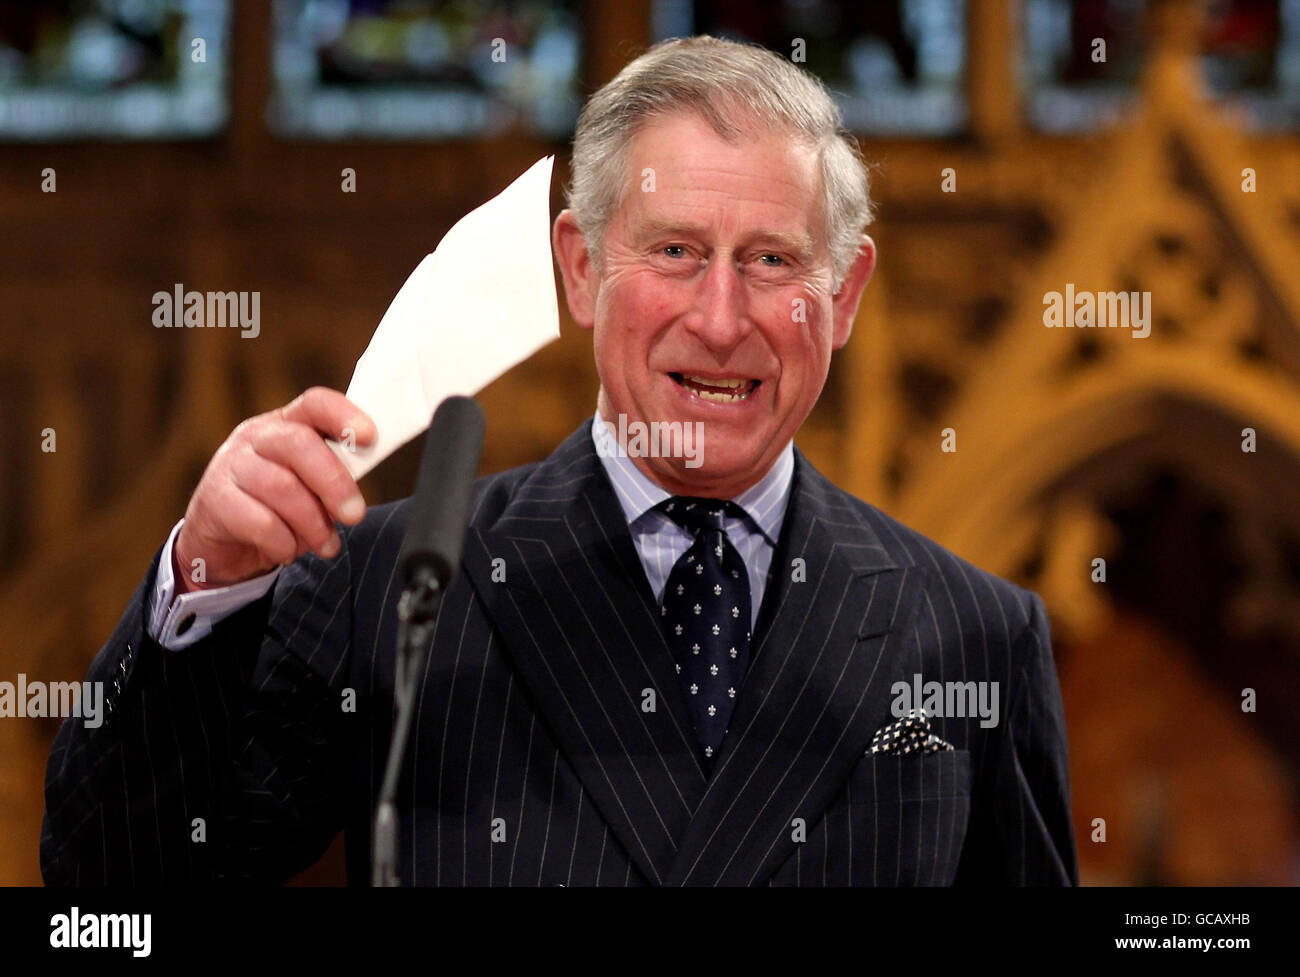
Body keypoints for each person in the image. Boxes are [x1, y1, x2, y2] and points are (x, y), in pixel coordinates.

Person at [42, 36, 1077, 886]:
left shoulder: (974, 634)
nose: (720, 321)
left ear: (844, 295)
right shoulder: (389, 588)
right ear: (583, 269)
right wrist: (207, 584)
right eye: (673, 251)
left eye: (770, 260)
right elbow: (110, 887)